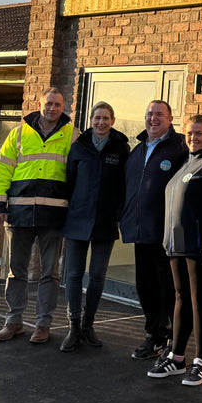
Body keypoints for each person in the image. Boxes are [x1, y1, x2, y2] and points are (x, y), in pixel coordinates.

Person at [147, 113, 202, 386]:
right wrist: (167, 240)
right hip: (177, 245)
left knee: (199, 300)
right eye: (189, 133)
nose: (193, 138)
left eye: (198, 133)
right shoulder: (186, 162)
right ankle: (176, 358)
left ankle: (201, 362)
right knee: (181, 298)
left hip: (199, 246)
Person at [0, 87, 74, 344]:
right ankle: (13, 321)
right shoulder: (18, 134)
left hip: (54, 215)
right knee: (17, 271)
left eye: (57, 104)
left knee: (50, 273)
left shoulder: (73, 136)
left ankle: (43, 325)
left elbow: (79, 175)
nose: (52, 108)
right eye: (48, 103)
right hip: (19, 213)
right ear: (40, 105)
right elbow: (2, 169)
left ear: (63, 107)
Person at [59, 101, 131, 352]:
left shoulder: (121, 149)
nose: (101, 122)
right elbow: (69, 181)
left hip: (105, 221)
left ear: (113, 121)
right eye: (97, 118)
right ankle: (73, 326)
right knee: (73, 274)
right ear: (91, 120)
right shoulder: (79, 147)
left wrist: (119, 214)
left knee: (98, 275)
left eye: (106, 118)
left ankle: (88, 325)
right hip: (77, 218)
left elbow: (124, 186)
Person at [119, 100, 187, 360]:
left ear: (170, 119)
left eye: (160, 114)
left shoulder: (180, 148)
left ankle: (172, 338)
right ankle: (154, 335)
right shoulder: (137, 150)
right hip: (140, 230)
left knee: (168, 288)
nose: (153, 118)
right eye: (150, 114)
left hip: (166, 233)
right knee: (145, 286)